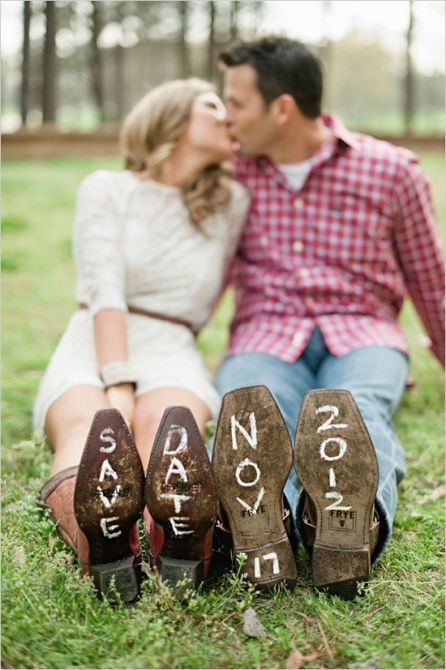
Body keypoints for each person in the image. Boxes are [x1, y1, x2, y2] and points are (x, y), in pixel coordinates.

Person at [212, 36, 445, 598]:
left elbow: (429, 279)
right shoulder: (229, 173)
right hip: (266, 332)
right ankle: (275, 527)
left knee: (357, 415)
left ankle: (351, 527)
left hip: (362, 332)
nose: (227, 117)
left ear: (282, 108)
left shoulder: (391, 171)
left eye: (236, 103)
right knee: (255, 417)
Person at [35, 78, 250, 603]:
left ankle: (177, 545)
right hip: (98, 337)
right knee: (91, 437)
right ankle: (104, 546)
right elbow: (105, 289)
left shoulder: (232, 202)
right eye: (212, 105)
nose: (228, 118)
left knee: (171, 439)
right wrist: (119, 387)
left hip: (172, 344)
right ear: (171, 119)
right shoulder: (107, 187)